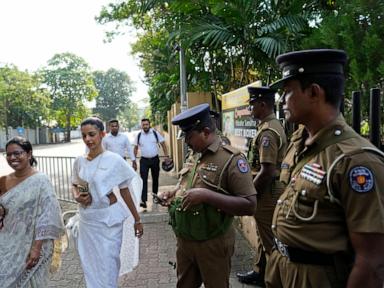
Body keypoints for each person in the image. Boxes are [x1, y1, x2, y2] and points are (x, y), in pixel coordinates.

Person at [265, 49, 384, 287]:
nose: (281, 100)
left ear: (313, 92)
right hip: (285, 272)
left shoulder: (357, 161)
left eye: (288, 91)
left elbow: (371, 262)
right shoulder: (301, 142)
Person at [158, 103, 257, 288]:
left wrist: (206, 196)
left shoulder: (231, 159)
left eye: (189, 136)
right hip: (185, 239)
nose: (186, 141)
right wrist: (173, 193)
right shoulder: (195, 154)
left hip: (213, 242)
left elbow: (250, 205)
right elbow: (187, 183)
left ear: (205, 132)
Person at [72, 117, 144, 288]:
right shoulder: (79, 161)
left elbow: (126, 191)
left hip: (109, 223)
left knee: (108, 266)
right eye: (84, 136)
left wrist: (137, 220)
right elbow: (74, 183)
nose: (88, 139)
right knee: (91, 268)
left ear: (102, 134)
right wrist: (76, 196)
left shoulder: (114, 160)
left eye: (92, 134)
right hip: (87, 222)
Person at [236, 86, 287, 286]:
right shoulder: (269, 126)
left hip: (267, 192)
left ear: (263, 105)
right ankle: (260, 271)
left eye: (252, 105)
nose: (250, 109)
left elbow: (267, 170)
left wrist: (250, 193)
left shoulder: (268, 132)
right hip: (265, 191)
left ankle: (276, 280)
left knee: (270, 242)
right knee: (262, 234)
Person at [0, 136, 64, 287]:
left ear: (29, 154)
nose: (12, 158)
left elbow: (48, 216)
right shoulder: (3, 180)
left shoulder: (41, 181)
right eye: (8, 154)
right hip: (6, 243)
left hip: (32, 245)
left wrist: (36, 248)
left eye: (17, 153)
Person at [134, 118, 170, 208]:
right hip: (144, 161)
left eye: (146, 124)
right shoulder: (139, 135)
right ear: (141, 125)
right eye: (143, 125)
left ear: (149, 125)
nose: (145, 126)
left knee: (155, 179)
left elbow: (163, 144)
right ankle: (144, 200)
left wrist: (166, 156)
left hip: (155, 159)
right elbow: (135, 148)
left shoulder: (155, 133)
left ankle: (154, 197)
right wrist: (134, 160)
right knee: (143, 180)